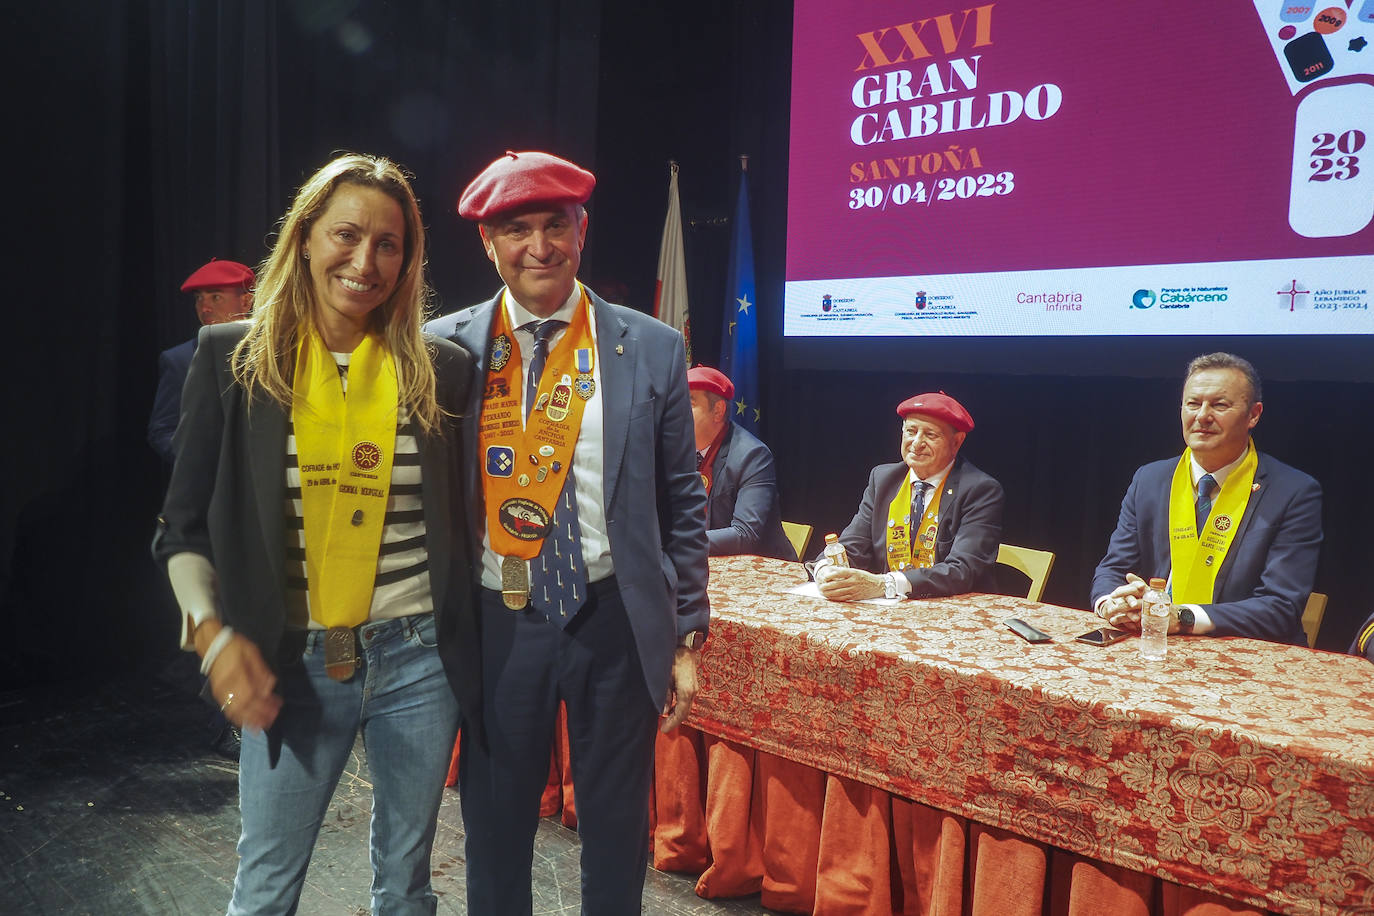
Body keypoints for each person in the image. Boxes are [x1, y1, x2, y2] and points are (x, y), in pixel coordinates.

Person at [153, 153, 480, 914]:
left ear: (407, 260)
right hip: (290, 661)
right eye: (346, 234)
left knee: (405, 888)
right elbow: (181, 530)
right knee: (265, 891)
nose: (365, 261)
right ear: (303, 238)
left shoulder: (440, 370)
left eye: (389, 244)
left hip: (419, 661)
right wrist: (212, 635)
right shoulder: (232, 359)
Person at [425, 150, 708, 914]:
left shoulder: (650, 346)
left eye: (557, 225)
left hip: (612, 618)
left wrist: (685, 637)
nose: (539, 247)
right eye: (516, 229)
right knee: (494, 827)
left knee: (617, 830)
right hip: (496, 620)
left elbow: (683, 501)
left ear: (583, 232)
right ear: (488, 245)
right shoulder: (442, 349)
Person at [1091, 352, 1322, 644]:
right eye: (1193, 403)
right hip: (1154, 645)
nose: (1202, 416)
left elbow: (1280, 607)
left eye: (1219, 405)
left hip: (1246, 656)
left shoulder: (1294, 491)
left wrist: (1181, 617)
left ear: (1254, 414)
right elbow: (1113, 569)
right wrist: (1112, 604)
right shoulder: (1149, 480)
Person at [814, 391, 1003, 601]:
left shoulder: (981, 490)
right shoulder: (883, 478)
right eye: (911, 431)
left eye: (930, 435)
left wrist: (884, 584)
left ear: (957, 442)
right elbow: (853, 544)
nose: (916, 443)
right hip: (892, 606)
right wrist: (824, 570)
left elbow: (962, 569)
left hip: (954, 607)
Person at [147, 259, 255, 463]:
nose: (204, 308)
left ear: (246, 302)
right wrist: (197, 464)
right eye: (198, 299)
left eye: (216, 297)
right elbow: (163, 430)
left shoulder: (273, 354)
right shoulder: (180, 360)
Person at [688, 365, 796, 560]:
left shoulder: (752, 456)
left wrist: (682, 543)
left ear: (718, 411)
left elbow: (745, 534)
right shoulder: (675, 451)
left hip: (763, 572)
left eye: (690, 403)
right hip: (704, 564)